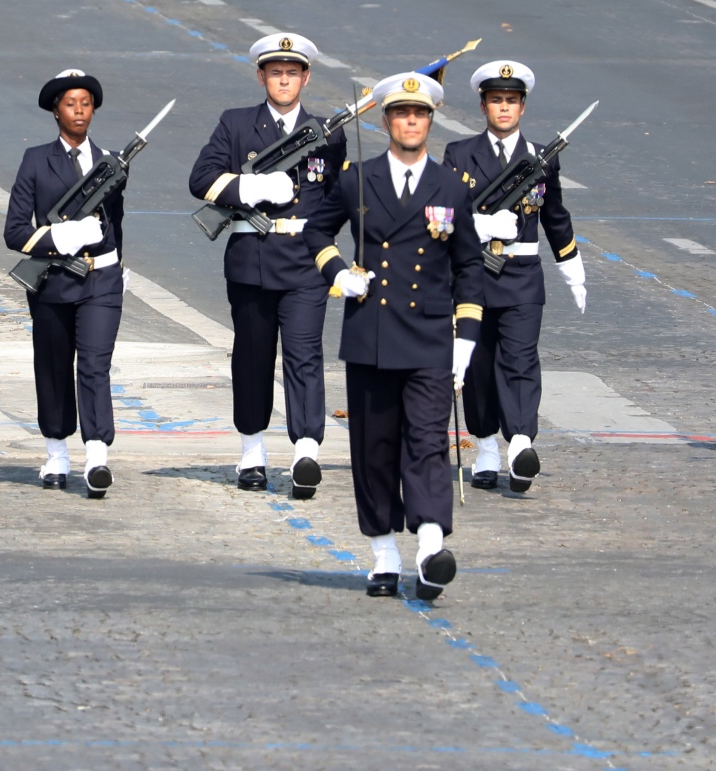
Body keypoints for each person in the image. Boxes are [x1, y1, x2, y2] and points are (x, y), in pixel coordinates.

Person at [303, 70, 485, 601]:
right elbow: (317, 229)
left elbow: (468, 266)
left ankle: (430, 548)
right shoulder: (357, 179)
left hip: (430, 337)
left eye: (421, 113)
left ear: (431, 120)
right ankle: (383, 552)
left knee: (428, 443)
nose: (412, 121)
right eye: (403, 113)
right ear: (386, 121)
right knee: (374, 448)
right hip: (372, 335)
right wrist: (337, 271)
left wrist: (466, 341)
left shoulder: (451, 186)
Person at [188, 33, 346, 496]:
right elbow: (200, 179)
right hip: (252, 260)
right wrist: (250, 189)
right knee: (253, 358)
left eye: (292, 73)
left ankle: (305, 451)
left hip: (305, 263)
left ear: (306, 78)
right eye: (275, 72)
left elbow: (338, 199)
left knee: (305, 355)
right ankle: (252, 451)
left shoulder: (327, 134)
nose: (283, 80)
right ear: (261, 77)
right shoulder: (237, 125)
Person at [441, 61, 580, 494]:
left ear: (523, 107)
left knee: (520, 360)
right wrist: (477, 227)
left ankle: (520, 444)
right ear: (483, 105)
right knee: (479, 366)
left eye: (512, 101)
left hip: (521, 275)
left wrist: (570, 264)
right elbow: (444, 214)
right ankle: (485, 448)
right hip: (475, 274)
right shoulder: (459, 155)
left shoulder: (540, 158)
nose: (505, 108)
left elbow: (555, 215)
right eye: (497, 101)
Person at [5, 70, 127, 496]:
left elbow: (118, 222)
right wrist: (60, 237)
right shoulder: (36, 160)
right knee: (54, 367)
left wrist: (117, 268)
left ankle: (97, 455)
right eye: (71, 103)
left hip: (101, 280)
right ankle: (56, 452)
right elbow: (15, 231)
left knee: (95, 365)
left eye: (86, 103)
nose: (79, 110)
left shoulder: (111, 162)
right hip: (54, 279)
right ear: (55, 110)